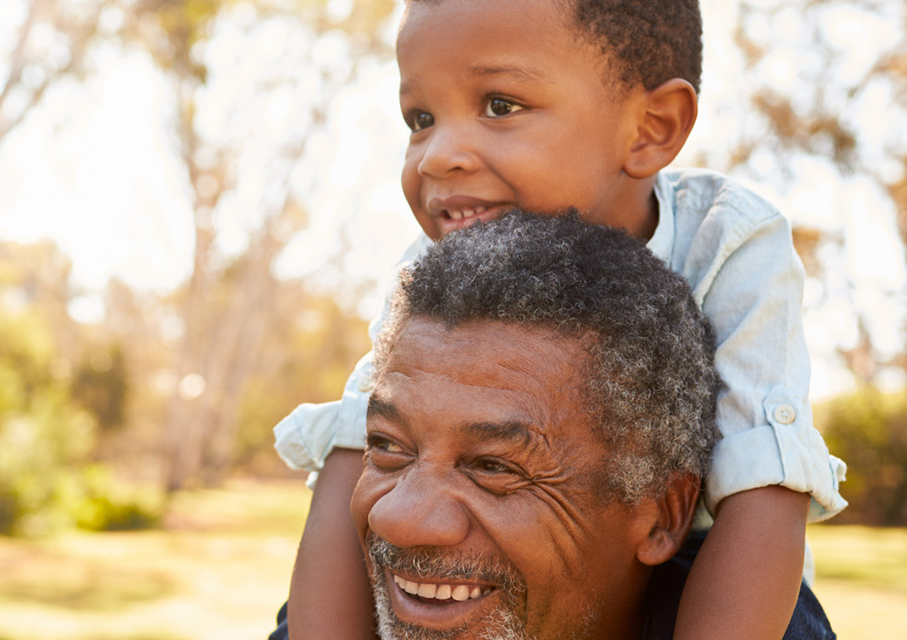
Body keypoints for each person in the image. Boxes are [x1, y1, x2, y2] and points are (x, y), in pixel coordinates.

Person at [274, 1, 848, 638]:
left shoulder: (728, 239)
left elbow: (764, 480)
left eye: (499, 105)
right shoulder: (437, 265)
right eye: (421, 118)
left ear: (651, 127)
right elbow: (355, 444)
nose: (438, 156)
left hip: (707, 570)